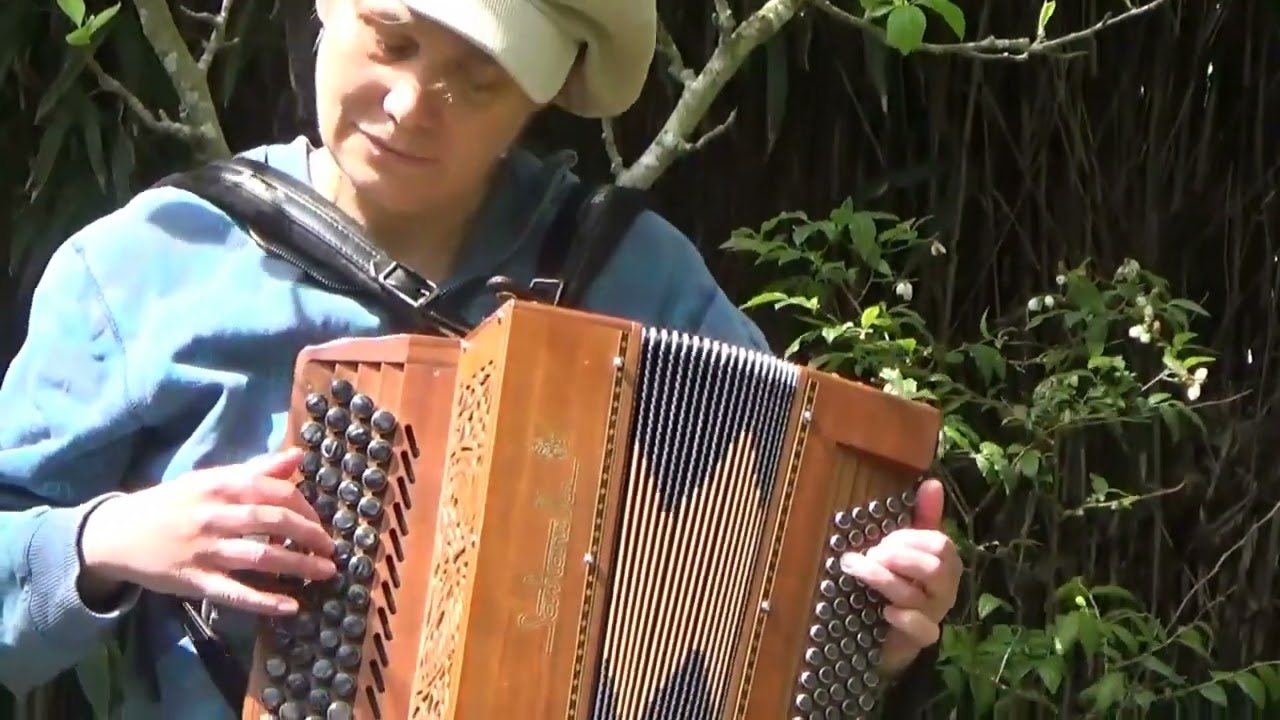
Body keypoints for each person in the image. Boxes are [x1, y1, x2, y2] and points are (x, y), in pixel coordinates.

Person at [0, 0, 962, 716]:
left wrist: (876, 631)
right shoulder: (148, 266)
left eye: (477, 81)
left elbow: (783, 572)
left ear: (542, 96)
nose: (412, 104)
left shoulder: (636, 277)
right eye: (391, 39)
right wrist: (105, 540)